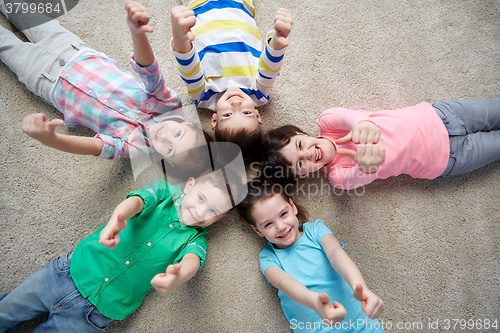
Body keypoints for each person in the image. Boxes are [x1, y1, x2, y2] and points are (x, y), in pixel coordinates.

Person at [0, 168, 245, 332]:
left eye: (213, 212)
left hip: (97, 311)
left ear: (220, 218)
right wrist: (118, 218)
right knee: (8, 310)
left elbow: (193, 260)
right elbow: (138, 200)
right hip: (69, 272)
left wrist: (178, 275)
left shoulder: (196, 240)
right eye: (201, 199)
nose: (201, 213)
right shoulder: (163, 193)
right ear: (190, 185)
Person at [0, 0, 211, 177]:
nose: (166, 136)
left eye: (171, 149)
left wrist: (52, 140)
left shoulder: (136, 147)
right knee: (22, 11)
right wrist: (137, 32)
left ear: (168, 161)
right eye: (179, 134)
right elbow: (149, 71)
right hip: (76, 52)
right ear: (189, 124)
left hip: (47, 80)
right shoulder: (168, 103)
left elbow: (96, 147)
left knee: (4, 45)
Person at [236, 177, 384, 333]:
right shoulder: (268, 258)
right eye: (268, 224)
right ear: (258, 230)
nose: (280, 227)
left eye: (283, 214)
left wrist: (361, 288)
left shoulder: (315, 230)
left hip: (362, 326)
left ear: (292, 207)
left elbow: (336, 254)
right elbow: (286, 283)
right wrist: (315, 303)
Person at [260, 99, 500, 189]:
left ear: (298, 132)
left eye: (301, 145)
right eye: (301, 163)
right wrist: (365, 164)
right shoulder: (338, 177)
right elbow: (361, 174)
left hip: (441, 115)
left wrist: (362, 124)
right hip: (447, 158)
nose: (309, 154)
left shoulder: (327, 122)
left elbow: (351, 117)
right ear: (302, 176)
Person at [170, 0, 292, 162]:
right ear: (257, 115)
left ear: (214, 119)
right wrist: (278, 41)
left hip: (199, 9)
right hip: (239, 7)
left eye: (227, 115)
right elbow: (270, 68)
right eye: (246, 113)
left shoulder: (204, 96)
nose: (236, 104)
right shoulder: (258, 93)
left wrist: (179, 37)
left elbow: (188, 67)